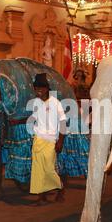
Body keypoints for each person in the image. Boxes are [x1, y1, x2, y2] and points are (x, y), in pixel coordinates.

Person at [15, 73, 66, 205]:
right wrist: (16, 122)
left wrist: (60, 141)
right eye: (36, 88)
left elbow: (62, 122)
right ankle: (41, 197)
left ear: (46, 89)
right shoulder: (36, 103)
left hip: (51, 140)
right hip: (38, 139)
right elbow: (33, 118)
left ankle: (60, 187)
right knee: (38, 170)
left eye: (41, 88)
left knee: (49, 168)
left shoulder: (55, 103)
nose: (38, 90)